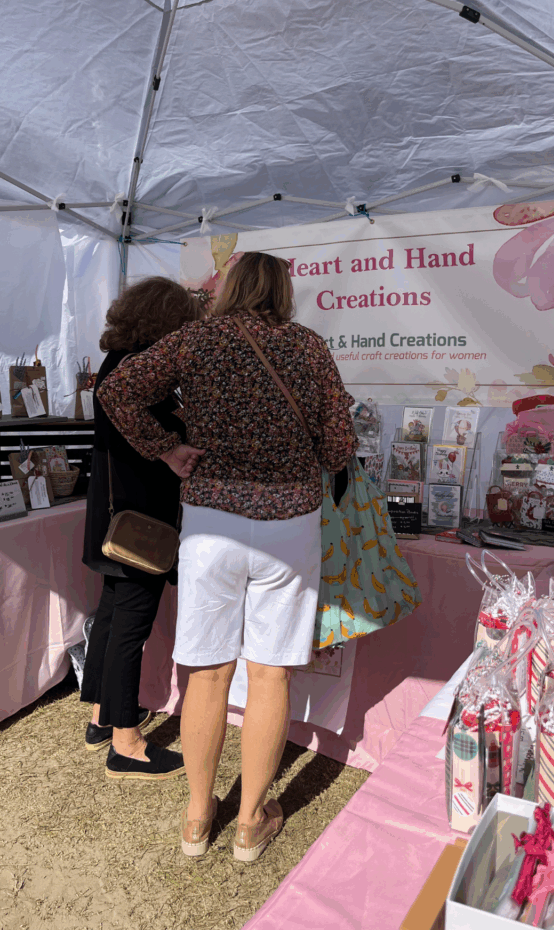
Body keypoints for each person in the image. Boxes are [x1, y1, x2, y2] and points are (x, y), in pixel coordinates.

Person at [97, 252, 357, 860]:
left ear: (230, 287)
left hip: (212, 524)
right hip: (290, 525)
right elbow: (337, 446)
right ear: (283, 291)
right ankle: (248, 823)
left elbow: (117, 390)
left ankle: (197, 819)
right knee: (270, 674)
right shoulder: (309, 347)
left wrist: (167, 448)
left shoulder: (195, 339)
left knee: (207, 672)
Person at [81, 276, 205, 780]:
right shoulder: (135, 371)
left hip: (118, 515)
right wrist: (172, 446)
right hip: (141, 519)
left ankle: (101, 717)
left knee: (113, 616)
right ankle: (126, 743)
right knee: (129, 624)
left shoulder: (118, 362)